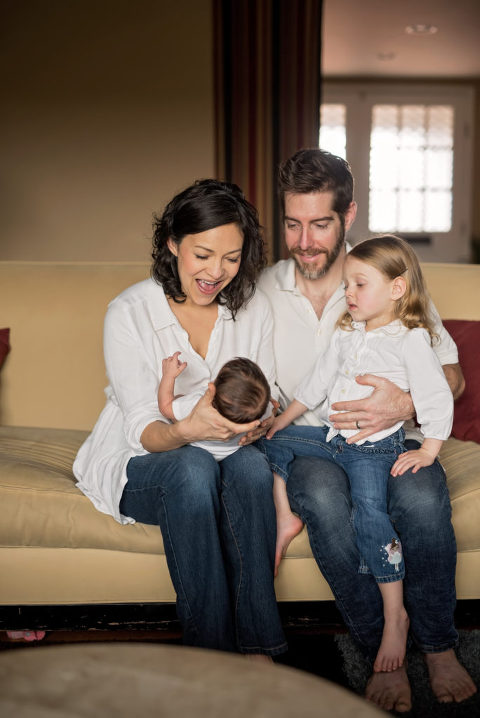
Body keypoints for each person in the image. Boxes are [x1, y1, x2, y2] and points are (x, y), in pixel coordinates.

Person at [256, 149, 476, 711]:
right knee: (328, 501)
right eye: (292, 224)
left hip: (390, 439)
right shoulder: (257, 292)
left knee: (423, 498)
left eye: (320, 224)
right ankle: (383, 643)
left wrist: (403, 404)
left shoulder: (383, 275)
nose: (304, 241)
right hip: (316, 443)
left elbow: (449, 376)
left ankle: (439, 643)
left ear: (348, 216)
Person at [73, 179, 287, 659]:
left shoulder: (253, 309)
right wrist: (187, 430)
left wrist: (257, 421)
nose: (217, 272)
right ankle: (208, 657)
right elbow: (142, 428)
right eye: (203, 255)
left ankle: (259, 648)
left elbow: (267, 395)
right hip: (143, 460)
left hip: (226, 453)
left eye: (232, 258)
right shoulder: (129, 312)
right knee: (192, 469)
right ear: (173, 244)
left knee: (253, 467)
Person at [258, 235, 454, 674]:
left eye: (359, 285)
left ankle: (393, 616)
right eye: (346, 284)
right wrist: (280, 422)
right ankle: (286, 511)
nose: (348, 294)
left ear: (396, 289)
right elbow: (313, 387)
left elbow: (436, 396)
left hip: (373, 450)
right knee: (266, 443)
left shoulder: (411, 340)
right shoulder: (347, 335)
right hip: (332, 441)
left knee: (370, 516)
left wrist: (429, 449)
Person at [158, 354, 273, 460]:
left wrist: (168, 376)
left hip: (196, 450)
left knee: (178, 402)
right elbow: (270, 411)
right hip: (232, 452)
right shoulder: (261, 409)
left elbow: (165, 408)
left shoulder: (196, 406)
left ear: (213, 385)